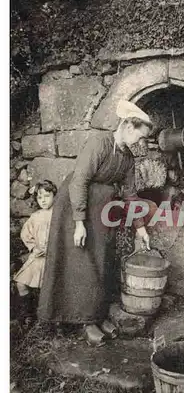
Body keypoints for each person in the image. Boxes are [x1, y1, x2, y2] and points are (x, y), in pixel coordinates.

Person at [38, 100, 152, 345]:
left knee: (99, 261)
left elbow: (131, 194)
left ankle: (95, 315)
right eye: (140, 138)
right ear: (127, 127)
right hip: (73, 207)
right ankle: (77, 320)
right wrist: (79, 221)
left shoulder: (128, 159)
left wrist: (141, 227)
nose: (141, 144)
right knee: (77, 262)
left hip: (100, 213)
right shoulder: (99, 143)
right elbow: (79, 180)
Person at [14, 180, 57, 322]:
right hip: (38, 257)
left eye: (47, 196)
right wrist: (33, 247)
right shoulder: (35, 217)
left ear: (54, 196)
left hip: (53, 257)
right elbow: (25, 234)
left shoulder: (59, 216)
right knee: (21, 283)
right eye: (39, 197)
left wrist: (52, 249)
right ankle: (28, 315)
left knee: (49, 287)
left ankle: (49, 318)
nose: (43, 200)